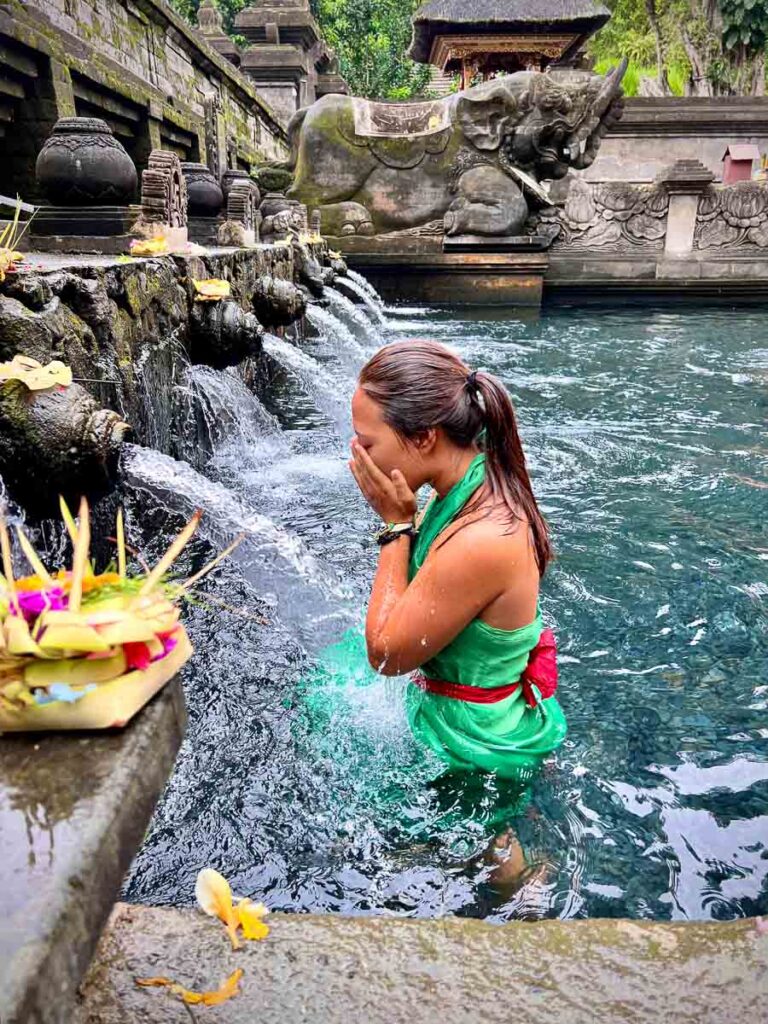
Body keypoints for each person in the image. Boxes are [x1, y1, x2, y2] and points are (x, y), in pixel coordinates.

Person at [348, 339, 567, 870]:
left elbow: (385, 656)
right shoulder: (472, 473)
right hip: (477, 700)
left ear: (424, 437)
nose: (357, 456)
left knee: (487, 851)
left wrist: (396, 527)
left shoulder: (483, 537)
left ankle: (522, 884)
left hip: (475, 741)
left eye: (366, 442)